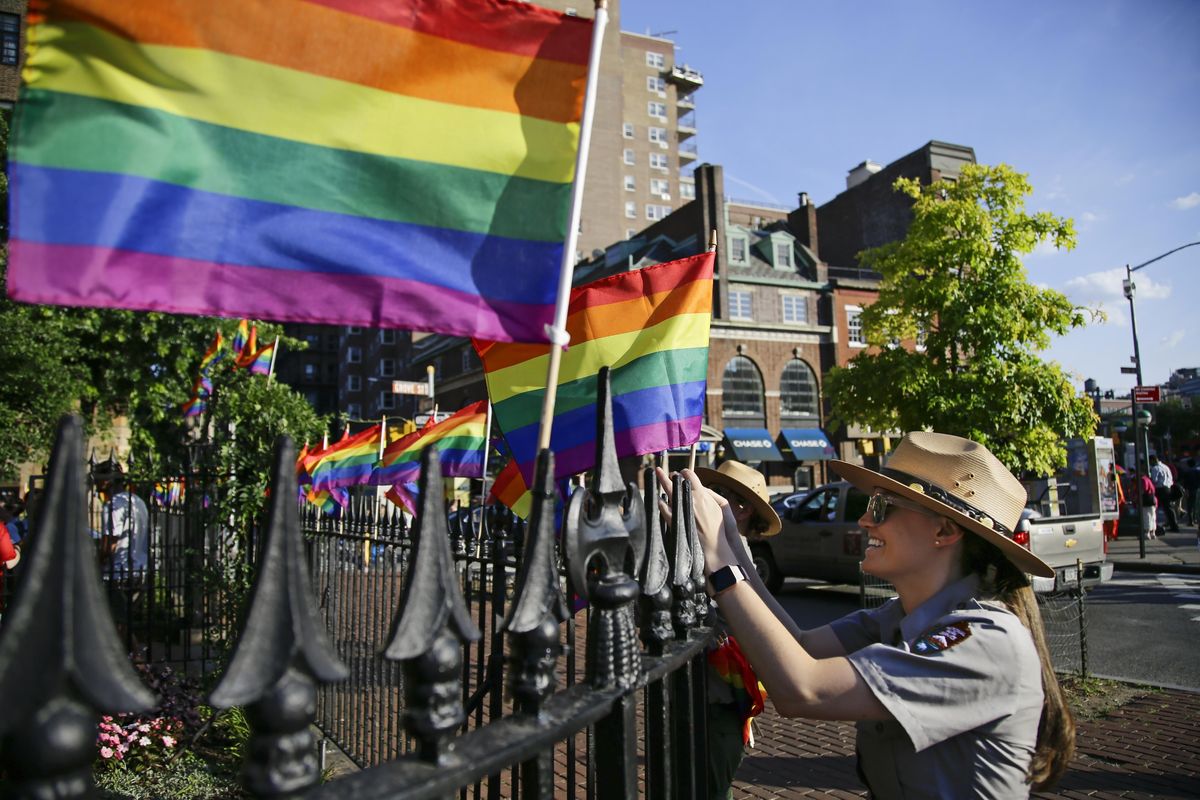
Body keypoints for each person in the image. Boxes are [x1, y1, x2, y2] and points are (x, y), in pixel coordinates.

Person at [660, 431, 1074, 798]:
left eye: (881, 506)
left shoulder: (987, 639)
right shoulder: (898, 617)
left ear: (945, 531)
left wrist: (718, 560)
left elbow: (804, 689)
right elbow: (800, 645)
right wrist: (730, 541)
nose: (863, 520)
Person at [691, 460, 787, 799]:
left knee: (712, 782)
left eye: (717, 493)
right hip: (703, 686)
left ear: (742, 509)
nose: (702, 496)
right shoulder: (709, 542)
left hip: (722, 687)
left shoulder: (730, 549)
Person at [92, 459, 150, 645]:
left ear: (107, 481)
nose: (96, 485)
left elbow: (110, 544)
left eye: (98, 479)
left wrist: (96, 565)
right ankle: (136, 663)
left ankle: (138, 665)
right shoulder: (137, 501)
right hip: (139, 568)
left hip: (118, 572)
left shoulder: (114, 505)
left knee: (116, 624)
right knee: (123, 623)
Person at [1148, 454, 1179, 533]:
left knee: (1155, 507)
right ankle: (1174, 525)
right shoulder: (1166, 467)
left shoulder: (1155, 468)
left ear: (1152, 460)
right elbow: (1171, 478)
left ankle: (1156, 526)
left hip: (1160, 489)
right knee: (1169, 508)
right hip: (1168, 488)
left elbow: (1154, 480)